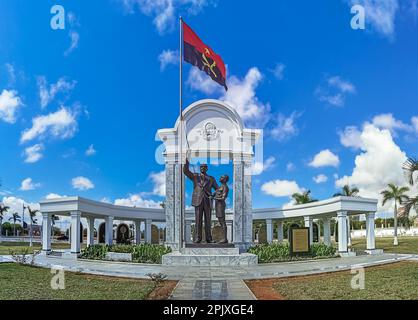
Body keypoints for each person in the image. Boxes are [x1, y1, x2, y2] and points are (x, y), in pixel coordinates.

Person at [184, 158, 219, 244]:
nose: (203, 168)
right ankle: (197, 238)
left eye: (204, 167)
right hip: (198, 200)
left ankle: (209, 238)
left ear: (207, 169)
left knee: (208, 220)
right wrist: (186, 161)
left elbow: (218, 189)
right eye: (201, 167)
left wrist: (212, 195)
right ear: (200, 168)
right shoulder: (195, 176)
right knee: (197, 220)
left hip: (207, 201)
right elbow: (185, 171)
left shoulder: (211, 178)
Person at [214, 175, 229, 244]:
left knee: (222, 222)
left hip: (220, 206)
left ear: (225, 179)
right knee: (220, 221)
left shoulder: (225, 187)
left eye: (222, 177)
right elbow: (214, 194)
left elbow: (223, 198)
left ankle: (225, 239)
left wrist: (215, 198)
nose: (220, 178)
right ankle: (223, 238)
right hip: (217, 206)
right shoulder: (220, 187)